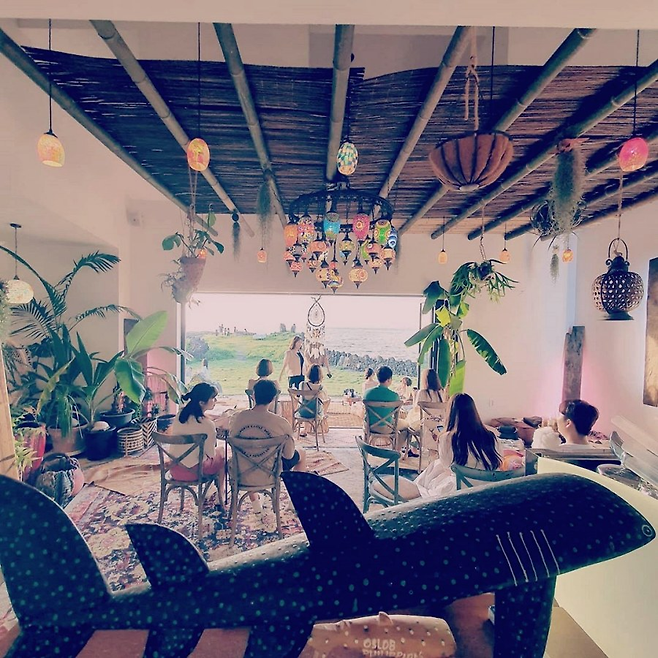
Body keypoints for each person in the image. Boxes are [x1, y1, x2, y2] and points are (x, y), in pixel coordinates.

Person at [392, 393, 504, 500]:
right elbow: (499, 460)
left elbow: (447, 466)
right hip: (488, 485)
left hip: (461, 486)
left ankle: (414, 492)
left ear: (451, 413)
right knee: (436, 467)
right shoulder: (492, 436)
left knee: (435, 468)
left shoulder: (448, 438)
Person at [168, 383, 225, 484]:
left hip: (175, 469)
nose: (215, 400)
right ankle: (220, 491)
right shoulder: (208, 424)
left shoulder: (180, 415)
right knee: (221, 453)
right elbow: (211, 454)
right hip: (195, 472)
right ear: (202, 403)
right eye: (213, 398)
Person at [363, 366, 409, 451]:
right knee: (406, 427)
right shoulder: (394, 396)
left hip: (370, 426)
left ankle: (366, 450)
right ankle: (396, 451)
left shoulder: (367, 393)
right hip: (387, 428)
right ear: (389, 380)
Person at [532, 399, 600, 450]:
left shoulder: (555, 453)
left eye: (559, 416)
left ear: (568, 423)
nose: (556, 419)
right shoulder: (597, 453)